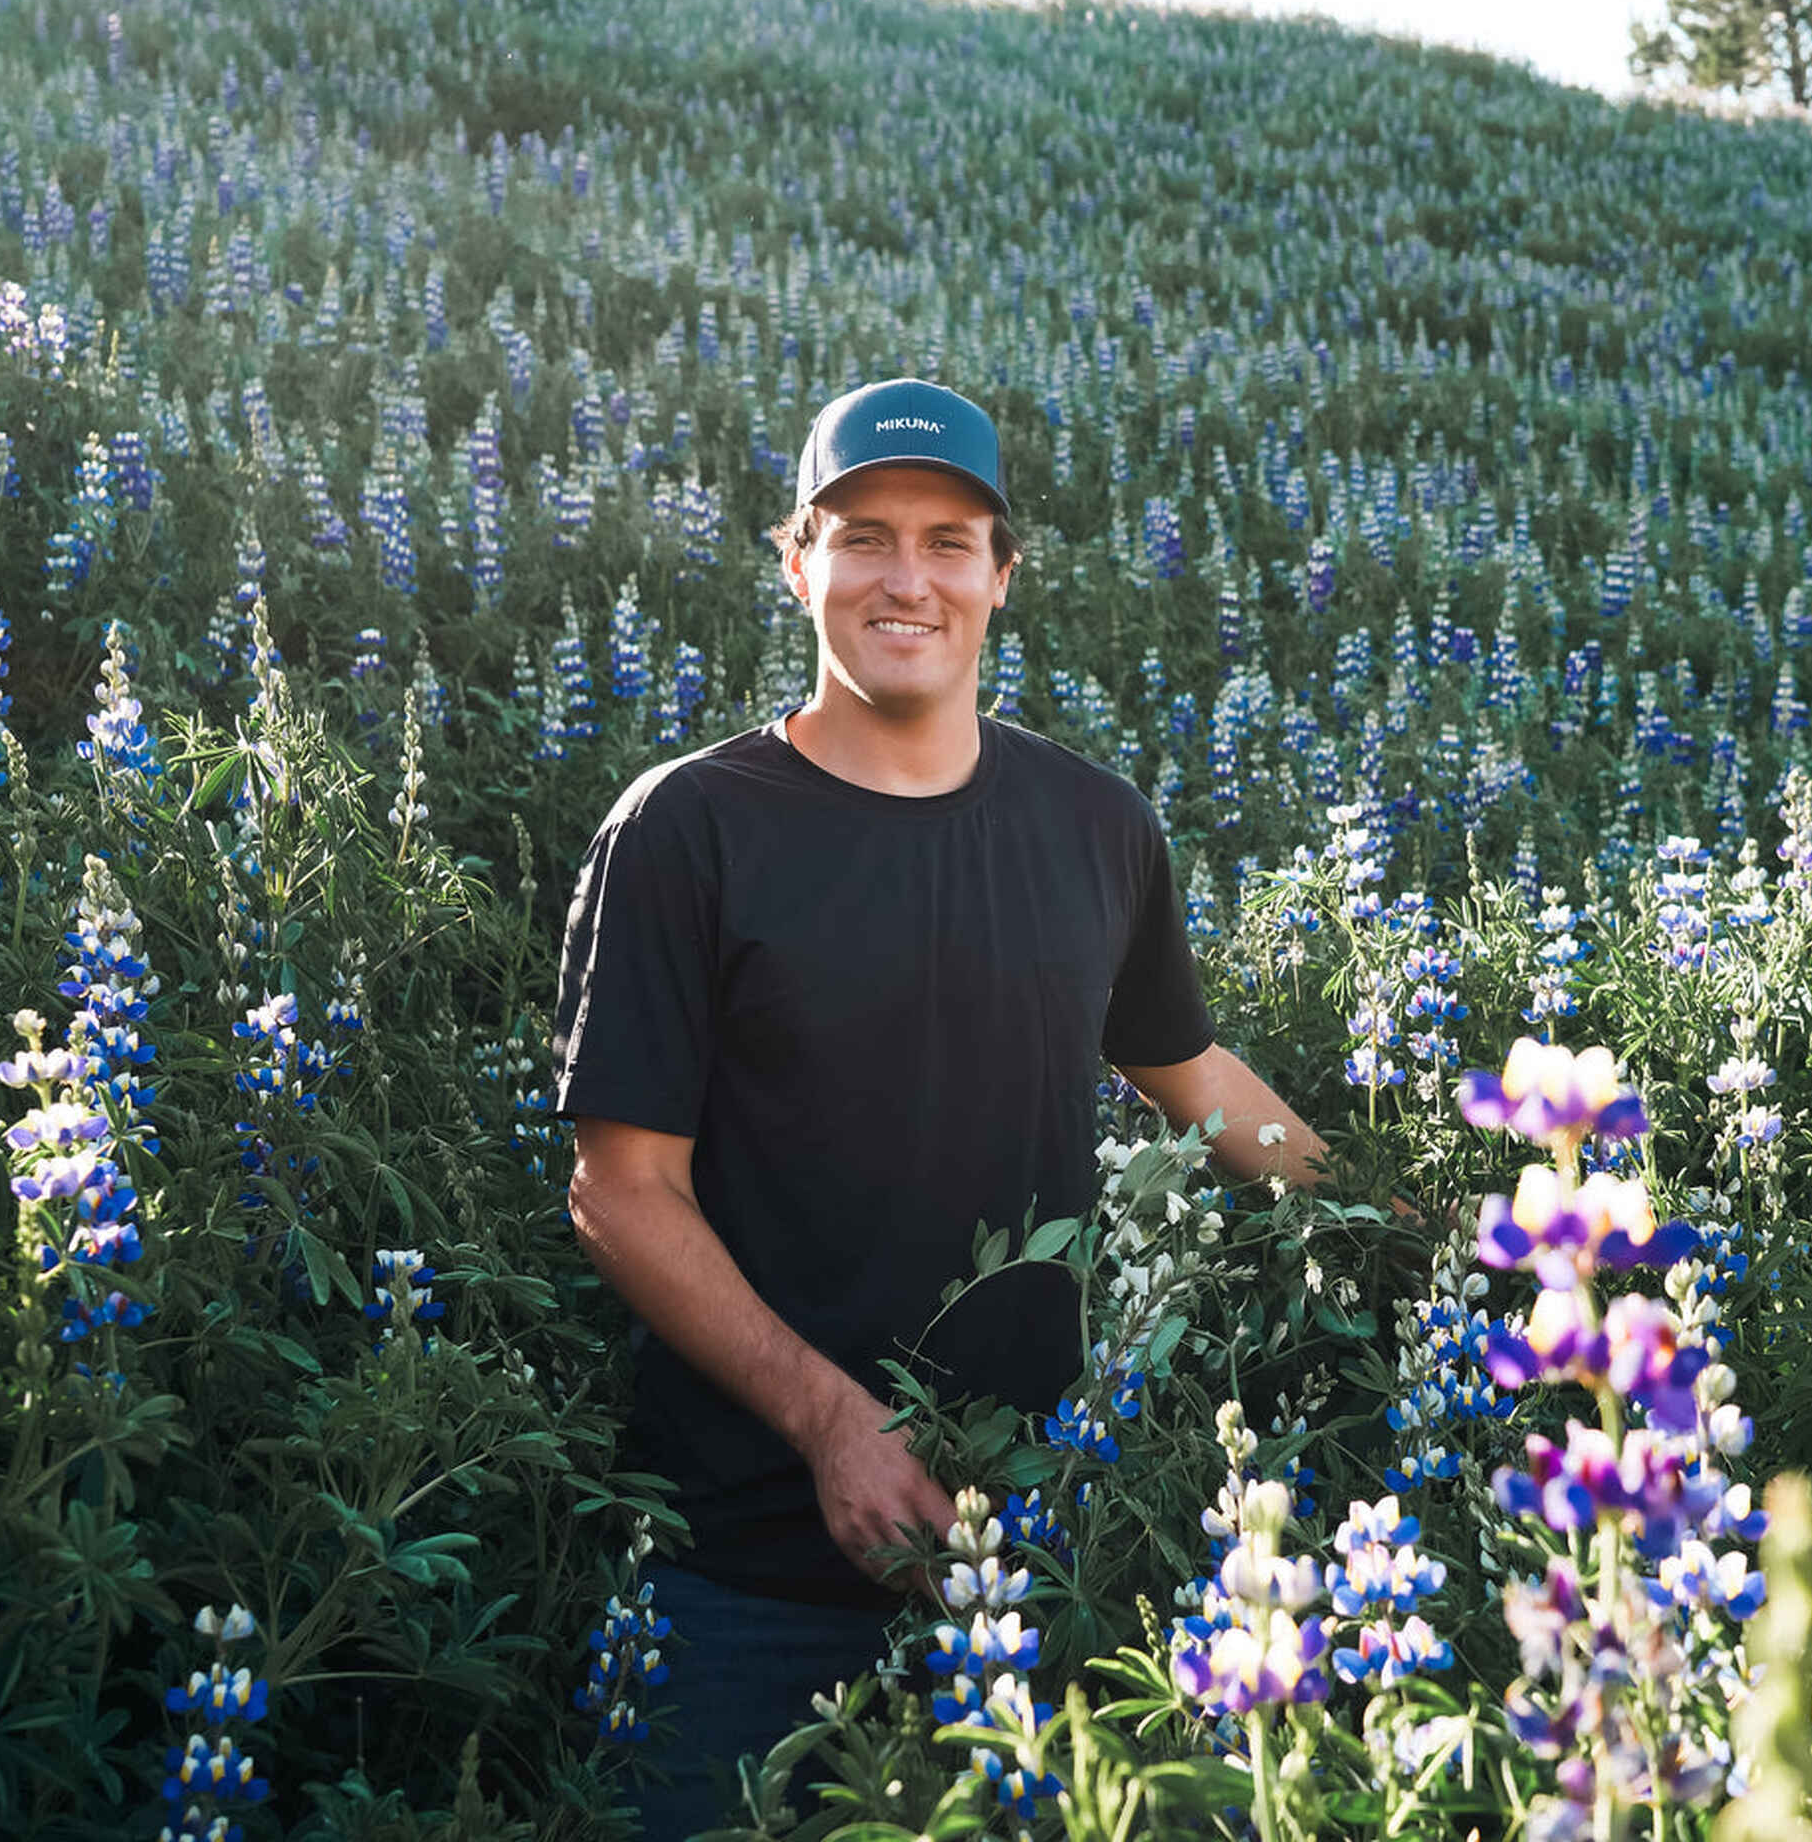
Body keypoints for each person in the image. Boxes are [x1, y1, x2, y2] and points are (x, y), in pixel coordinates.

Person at [551, 377, 1329, 1838]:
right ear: (797, 563)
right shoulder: (684, 831)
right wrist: (832, 1426)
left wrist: (1415, 1227)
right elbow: (619, 1189)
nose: (907, 578)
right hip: (743, 1566)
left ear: (1002, 577)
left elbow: (1195, 1078)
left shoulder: (1096, 825)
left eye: (949, 541)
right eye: (862, 538)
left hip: (1031, 1545)